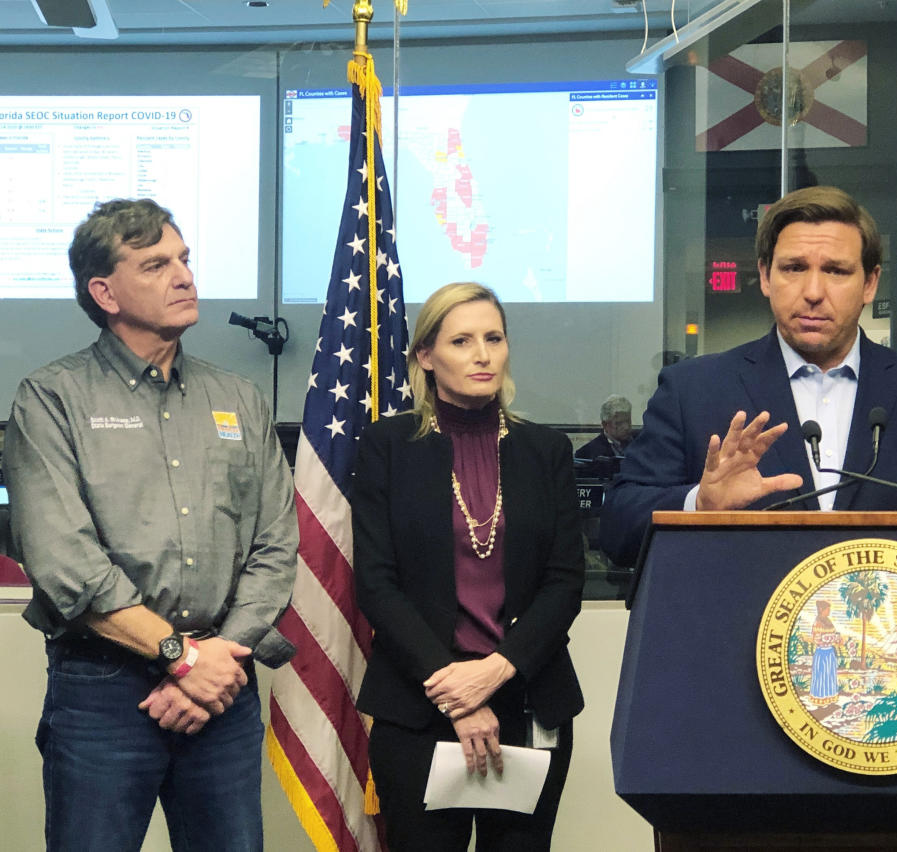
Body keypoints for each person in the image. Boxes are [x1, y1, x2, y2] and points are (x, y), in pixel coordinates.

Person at [2, 198, 297, 850]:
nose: (184, 276)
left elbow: (276, 545)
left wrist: (214, 660)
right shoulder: (52, 399)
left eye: (185, 260)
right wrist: (182, 656)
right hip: (105, 694)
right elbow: (66, 566)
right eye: (157, 263)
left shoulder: (239, 400)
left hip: (223, 689)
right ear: (104, 291)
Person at [600, 185, 897, 565]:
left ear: (870, 284)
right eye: (793, 268)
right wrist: (699, 503)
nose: (813, 292)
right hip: (735, 641)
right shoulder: (692, 389)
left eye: (836, 271)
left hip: (895, 644)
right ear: (766, 276)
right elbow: (619, 526)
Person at [352, 282, 585, 851]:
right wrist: (458, 692)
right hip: (420, 704)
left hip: (528, 698)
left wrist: (496, 672)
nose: (482, 354)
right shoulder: (389, 445)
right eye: (461, 340)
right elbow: (377, 584)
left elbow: (565, 583)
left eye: (493, 338)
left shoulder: (545, 450)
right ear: (425, 357)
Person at [574, 394, 633, 478]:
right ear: (605, 424)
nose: (626, 427)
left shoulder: (641, 444)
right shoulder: (586, 454)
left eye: (628, 421)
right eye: (619, 423)